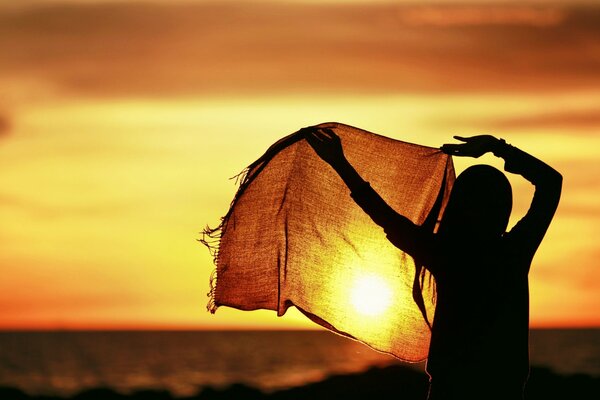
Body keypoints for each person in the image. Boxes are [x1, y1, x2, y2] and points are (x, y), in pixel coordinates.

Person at [302, 127, 562, 400]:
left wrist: (340, 163)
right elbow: (550, 183)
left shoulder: (447, 252)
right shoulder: (513, 250)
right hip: (490, 389)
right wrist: (497, 147)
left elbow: (384, 215)